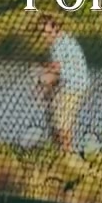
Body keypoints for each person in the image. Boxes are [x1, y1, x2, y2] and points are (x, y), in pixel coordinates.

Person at [36, 12, 91, 161]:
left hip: (73, 87)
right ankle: (60, 154)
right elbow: (58, 70)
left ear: (55, 28)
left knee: (62, 124)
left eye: (46, 31)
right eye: (41, 32)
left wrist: (42, 81)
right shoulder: (62, 41)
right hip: (70, 85)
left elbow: (55, 71)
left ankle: (67, 156)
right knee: (55, 121)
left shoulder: (59, 44)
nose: (44, 35)